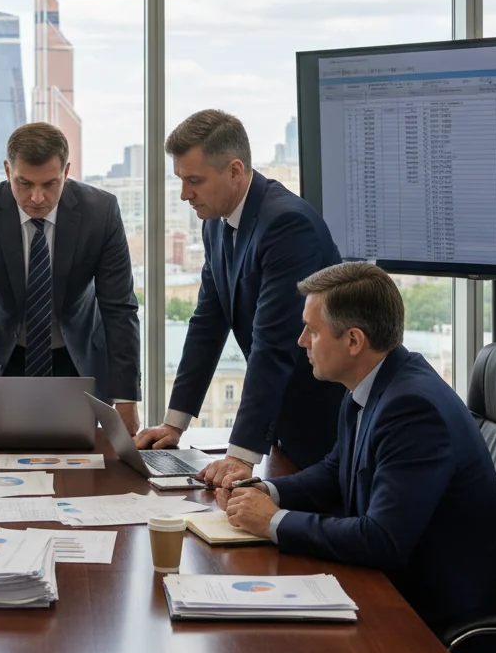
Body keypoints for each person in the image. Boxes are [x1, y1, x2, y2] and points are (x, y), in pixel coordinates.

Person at [220, 262, 496, 634]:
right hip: (402, 596)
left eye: (313, 331)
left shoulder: (413, 410)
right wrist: (263, 491)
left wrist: (272, 521)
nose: (302, 340)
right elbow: (337, 470)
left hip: (452, 629)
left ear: (353, 340)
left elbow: (382, 540)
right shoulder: (373, 384)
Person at [135, 110, 343, 486]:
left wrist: (240, 455)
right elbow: (207, 324)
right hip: (283, 422)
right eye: (181, 180)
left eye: (194, 181)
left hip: (322, 423)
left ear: (234, 171)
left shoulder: (287, 224)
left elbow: (273, 344)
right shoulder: (214, 222)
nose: (184, 194)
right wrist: (174, 423)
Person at [0, 122, 141, 441]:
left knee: (81, 473)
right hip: (3, 357)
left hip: (78, 357)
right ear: (7, 170)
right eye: (24, 183)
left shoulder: (101, 211)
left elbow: (119, 309)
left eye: (50, 183)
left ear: (67, 171)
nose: (37, 197)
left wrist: (125, 399)